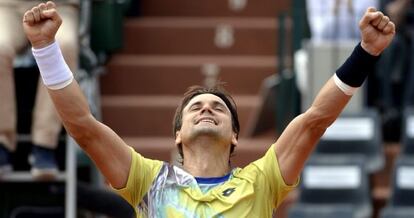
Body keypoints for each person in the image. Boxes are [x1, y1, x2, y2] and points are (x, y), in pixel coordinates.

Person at [22, 1, 395, 216]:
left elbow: (315, 120)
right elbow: (83, 127)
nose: (206, 108)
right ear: (178, 135)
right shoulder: (148, 181)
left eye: (218, 107)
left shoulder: (261, 182)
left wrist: (366, 53)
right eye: (195, 106)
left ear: (235, 134)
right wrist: (45, 49)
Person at [0, 0, 79, 179]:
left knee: (64, 46)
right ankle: (1, 144)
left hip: (60, 7)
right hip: (8, 6)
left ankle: (44, 145)